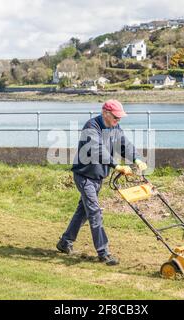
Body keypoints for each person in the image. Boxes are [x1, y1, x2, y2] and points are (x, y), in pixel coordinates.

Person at [56, 99, 147, 266]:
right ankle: (103, 252)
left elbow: (123, 143)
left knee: (82, 211)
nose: (118, 120)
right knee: (95, 212)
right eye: (115, 117)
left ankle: (65, 242)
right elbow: (96, 149)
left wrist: (137, 158)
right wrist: (117, 165)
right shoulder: (91, 127)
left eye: (119, 118)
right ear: (105, 113)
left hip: (98, 177)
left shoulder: (114, 127)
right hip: (84, 176)